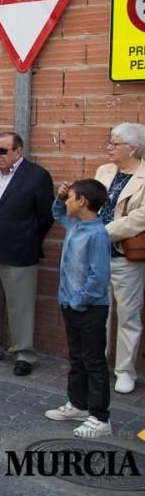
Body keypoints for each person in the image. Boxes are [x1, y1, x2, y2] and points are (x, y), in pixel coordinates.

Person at [0, 132, 54, 376]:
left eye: (2, 151)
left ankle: (24, 353)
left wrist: (28, 238)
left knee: (20, 306)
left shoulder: (37, 176)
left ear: (18, 151)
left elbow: (45, 216)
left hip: (19, 250)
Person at [45, 179, 113, 438]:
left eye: (70, 197)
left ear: (82, 201)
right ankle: (78, 404)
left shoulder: (97, 234)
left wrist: (78, 302)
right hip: (71, 304)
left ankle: (100, 417)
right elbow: (57, 212)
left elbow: (98, 278)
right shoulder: (75, 223)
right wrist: (60, 196)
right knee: (77, 358)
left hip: (89, 308)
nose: (67, 201)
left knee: (94, 361)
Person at [93, 123, 145, 394]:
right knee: (99, 312)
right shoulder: (104, 170)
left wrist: (104, 232)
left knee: (128, 315)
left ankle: (125, 370)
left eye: (115, 144)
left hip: (125, 255)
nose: (109, 147)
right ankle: (97, 363)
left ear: (132, 148)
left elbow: (140, 217)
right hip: (98, 255)